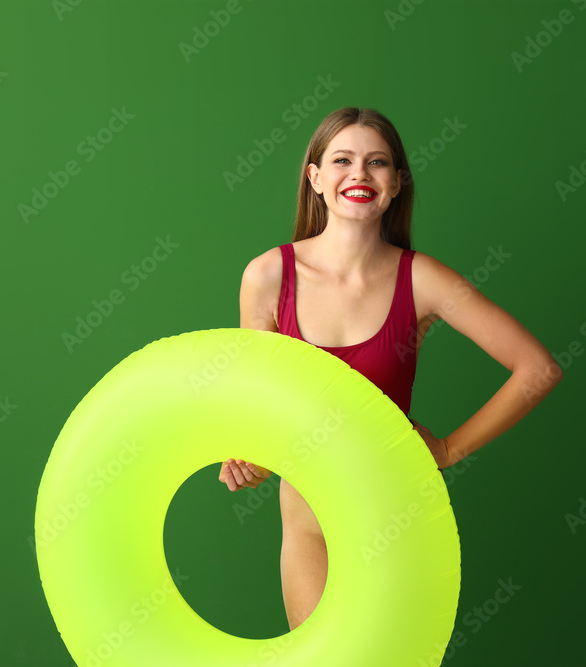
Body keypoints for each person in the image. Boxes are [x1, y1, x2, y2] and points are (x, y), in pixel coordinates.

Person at [218, 107, 562, 631]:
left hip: (394, 517)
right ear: (315, 177)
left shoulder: (422, 280)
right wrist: (248, 460)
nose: (359, 174)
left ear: (398, 184)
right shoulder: (268, 276)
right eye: (342, 160)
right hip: (309, 527)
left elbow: (537, 369)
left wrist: (448, 449)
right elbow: (262, 408)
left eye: (377, 162)